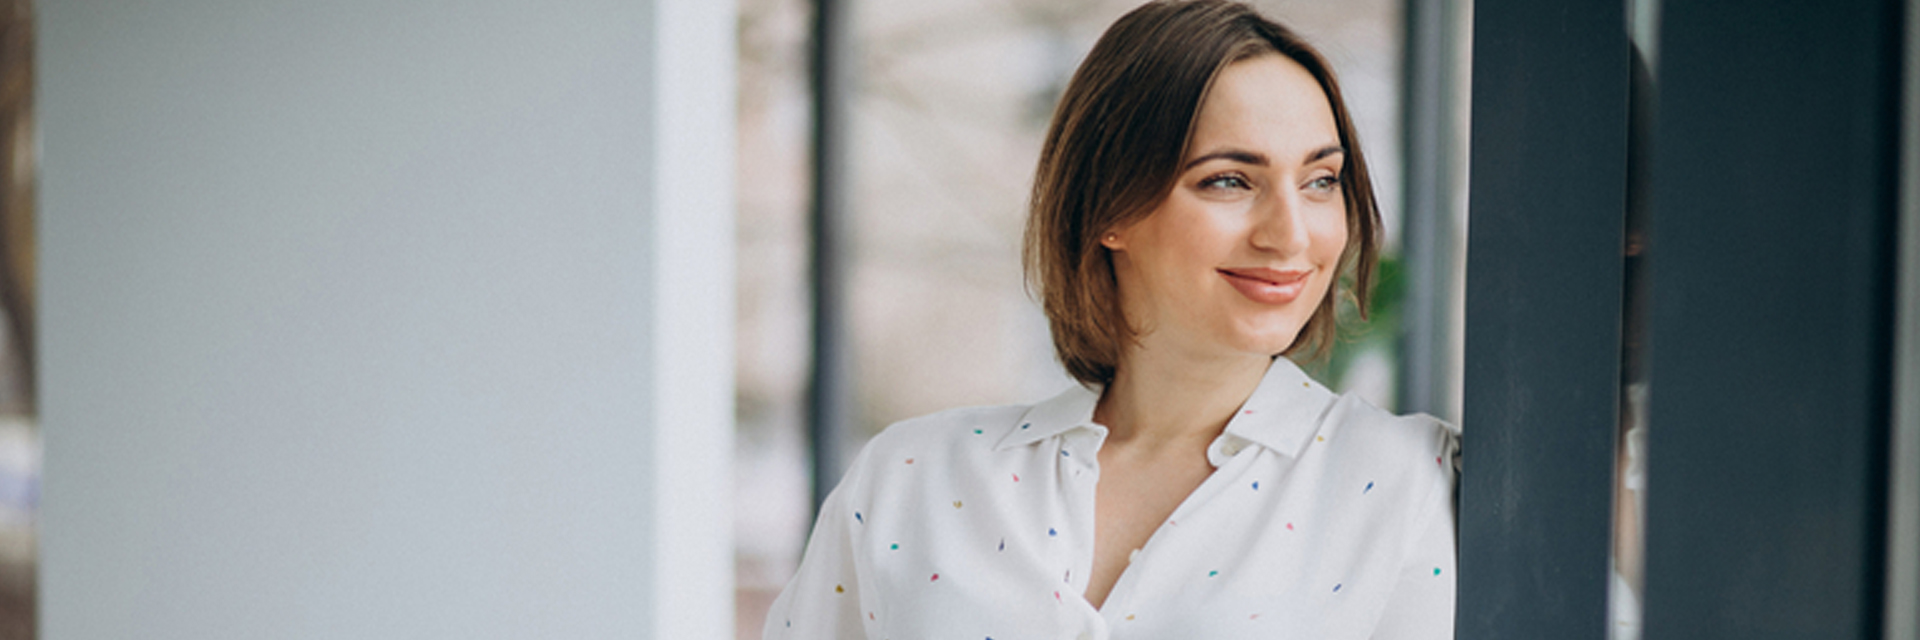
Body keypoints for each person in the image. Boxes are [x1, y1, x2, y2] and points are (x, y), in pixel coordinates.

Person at [763, 2, 1458, 638]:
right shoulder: (911, 478)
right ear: (1112, 206)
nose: (1291, 234)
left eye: (1320, 181)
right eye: (1228, 180)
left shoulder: (1409, 485)